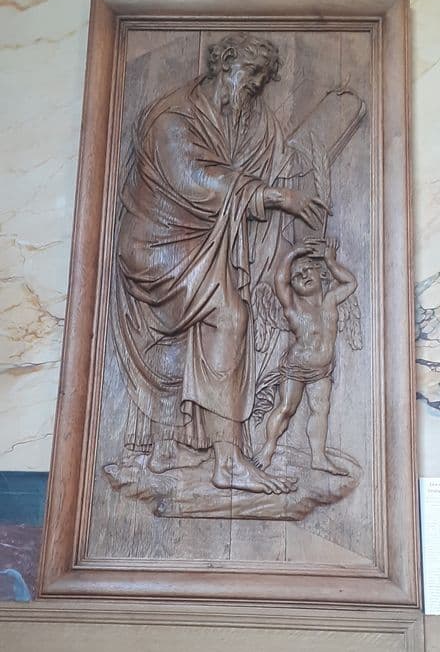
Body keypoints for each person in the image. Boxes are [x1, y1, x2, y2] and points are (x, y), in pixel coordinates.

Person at [112, 32, 329, 495]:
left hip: (200, 243)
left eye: (261, 80)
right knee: (229, 315)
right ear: (223, 64)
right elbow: (194, 179)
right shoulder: (172, 118)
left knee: (225, 318)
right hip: (158, 244)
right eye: (249, 75)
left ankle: (194, 450)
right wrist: (274, 196)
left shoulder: (235, 117)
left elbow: (259, 154)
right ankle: (227, 462)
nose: (254, 87)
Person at [253, 238, 357, 475]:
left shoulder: (330, 300)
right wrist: (293, 253)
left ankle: (318, 457)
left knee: (320, 409)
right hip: (296, 367)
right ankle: (268, 449)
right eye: (297, 276)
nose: (304, 275)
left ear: (321, 273)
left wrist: (330, 260)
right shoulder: (293, 305)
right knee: (286, 407)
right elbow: (280, 281)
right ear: (293, 285)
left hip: (322, 369)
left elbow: (351, 282)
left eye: (308, 269)